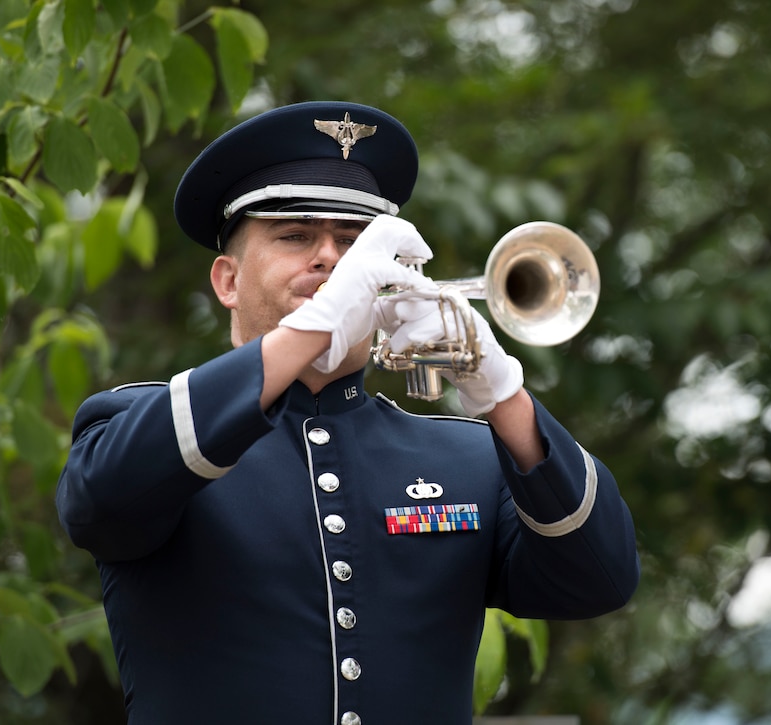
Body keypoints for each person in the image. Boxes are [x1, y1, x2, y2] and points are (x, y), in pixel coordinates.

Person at [56, 101, 640, 725]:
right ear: (226, 281)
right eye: (296, 236)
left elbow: (599, 578)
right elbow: (103, 505)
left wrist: (503, 394)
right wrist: (315, 327)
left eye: (354, 243)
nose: (332, 261)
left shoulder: (470, 456)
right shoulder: (135, 423)